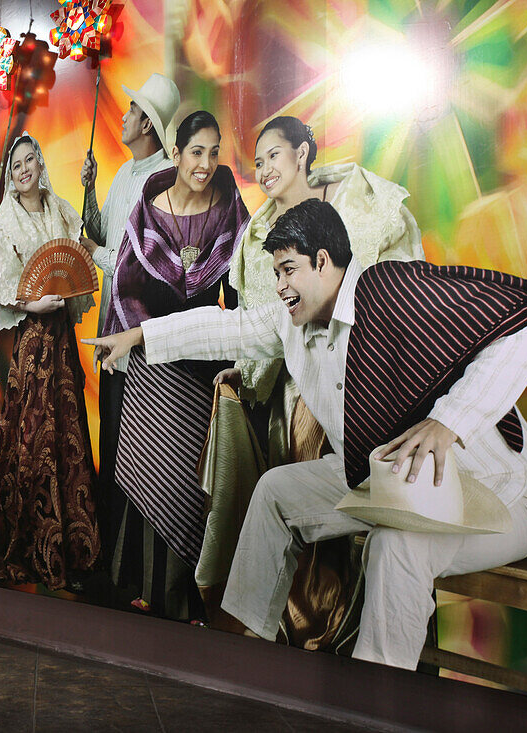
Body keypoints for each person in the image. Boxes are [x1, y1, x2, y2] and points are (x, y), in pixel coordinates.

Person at [86, 198, 527, 670]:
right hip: (388, 480)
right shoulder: (293, 322)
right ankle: (238, 650)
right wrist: (138, 336)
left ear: (323, 261)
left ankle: (370, 706)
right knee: (276, 491)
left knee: (395, 545)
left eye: (288, 270)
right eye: (275, 273)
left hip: (499, 496)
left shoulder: (393, 287)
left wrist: (449, 421)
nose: (279, 285)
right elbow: (224, 328)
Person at [222, 116, 427, 649]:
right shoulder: (261, 234)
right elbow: (253, 324)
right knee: (294, 499)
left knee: (377, 517)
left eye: (274, 155)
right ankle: (283, 636)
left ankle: (353, 637)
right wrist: (244, 369)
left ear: (304, 153)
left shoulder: (359, 200)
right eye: (258, 160)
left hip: (372, 377)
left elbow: (405, 285)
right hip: (300, 388)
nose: (264, 168)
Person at [97, 111, 249, 620]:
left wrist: (235, 354)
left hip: (205, 363)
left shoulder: (230, 209)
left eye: (213, 151)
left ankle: (185, 596)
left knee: (192, 483)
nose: (205, 163)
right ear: (177, 153)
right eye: (195, 152)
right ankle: (143, 591)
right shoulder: (147, 209)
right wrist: (148, 342)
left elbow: (243, 292)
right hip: (152, 363)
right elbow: (125, 284)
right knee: (148, 474)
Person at [0, 133, 100, 591]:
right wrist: (34, 305)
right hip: (34, 343)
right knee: (35, 434)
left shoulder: (59, 208)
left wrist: (90, 189)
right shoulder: (4, 222)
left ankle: (74, 545)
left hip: (65, 344)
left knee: (68, 430)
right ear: (10, 179)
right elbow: (1, 288)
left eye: (30, 160)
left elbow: (85, 249)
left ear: (40, 164)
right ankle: (34, 539)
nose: (24, 169)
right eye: (16, 166)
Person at [79, 72, 179, 550]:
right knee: (110, 428)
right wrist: (89, 189)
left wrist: (90, 252)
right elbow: (97, 228)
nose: (123, 115)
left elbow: (130, 263)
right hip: (108, 324)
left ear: (149, 125)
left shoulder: (161, 182)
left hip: (138, 328)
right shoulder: (122, 173)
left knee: (132, 440)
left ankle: (128, 555)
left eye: (132, 109)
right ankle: (107, 549)